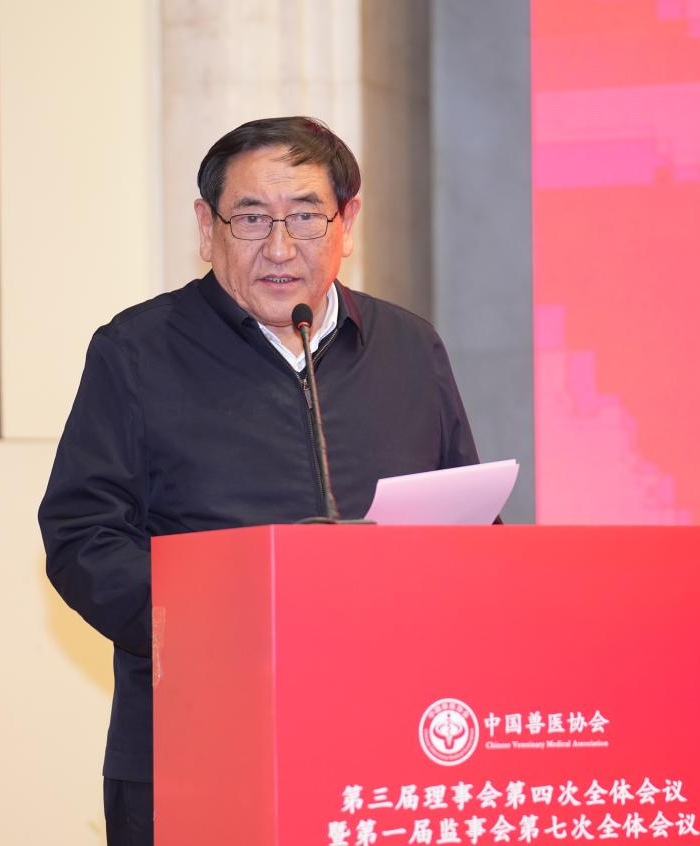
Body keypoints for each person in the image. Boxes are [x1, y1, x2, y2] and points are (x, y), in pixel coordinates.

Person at [38, 116, 481, 846]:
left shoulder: (409, 348)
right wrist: (207, 627)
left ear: (347, 223)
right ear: (205, 227)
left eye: (305, 216)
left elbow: (468, 523)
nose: (279, 248)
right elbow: (82, 535)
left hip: (388, 738)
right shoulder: (137, 352)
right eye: (250, 218)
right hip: (195, 741)